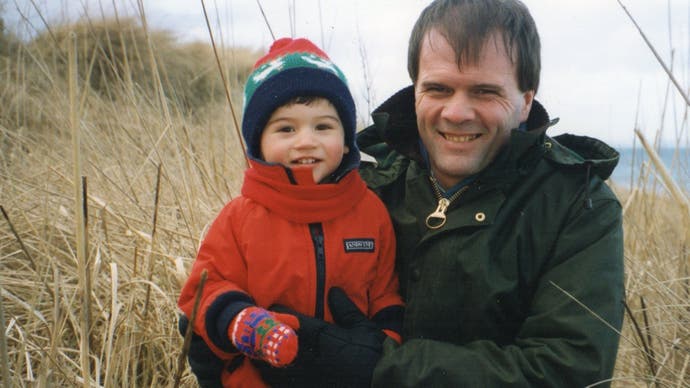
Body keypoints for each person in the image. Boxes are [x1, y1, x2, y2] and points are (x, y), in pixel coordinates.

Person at [258, 0, 625, 386]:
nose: (456, 112)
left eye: (485, 92)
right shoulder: (359, 183)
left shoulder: (578, 204)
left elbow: (570, 372)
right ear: (415, 90)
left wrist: (381, 368)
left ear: (525, 102)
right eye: (438, 88)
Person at [177, 37, 404, 387]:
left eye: (323, 126)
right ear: (259, 142)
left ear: (346, 140)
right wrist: (242, 322)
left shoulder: (372, 211)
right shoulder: (240, 217)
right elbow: (203, 290)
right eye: (286, 128)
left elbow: (386, 295)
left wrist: (385, 348)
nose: (306, 141)